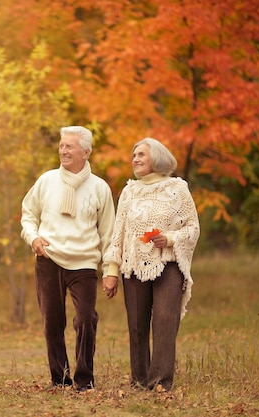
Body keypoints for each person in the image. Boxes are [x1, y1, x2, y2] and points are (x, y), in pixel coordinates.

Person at [21, 126, 115, 392]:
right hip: (48, 259)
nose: (63, 150)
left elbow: (108, 233)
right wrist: (33, 238)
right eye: (62, 146)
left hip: (84, 263)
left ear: (85, 152)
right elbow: (28, 214)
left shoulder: (99, 188)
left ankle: (84, 379)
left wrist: (110, 270)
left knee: (86, 318)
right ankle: (59, 379)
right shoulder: (47, 180)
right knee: (52, 321)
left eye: (69, 146)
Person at [102, 137, 200, 392]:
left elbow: (193, 228)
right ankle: (139, 380)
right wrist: (112, 271)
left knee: (165, 321)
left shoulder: (177, 189)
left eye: (141, 154)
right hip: (133, 266)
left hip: (168, 264)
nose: (135, 159)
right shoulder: (129, 191)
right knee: (137, 323)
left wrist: (169, 239)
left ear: (156, 157)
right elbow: (118, 233)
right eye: (134, 155)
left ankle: (160, 382)